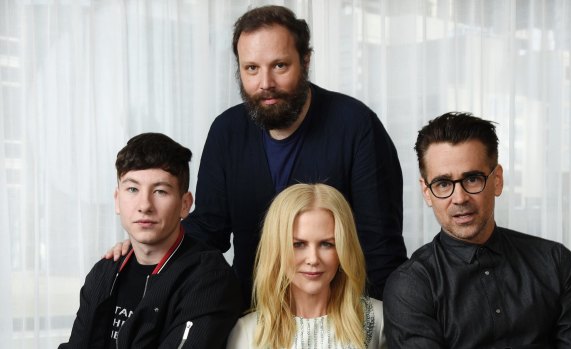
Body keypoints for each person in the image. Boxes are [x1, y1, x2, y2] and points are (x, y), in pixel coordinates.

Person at [108, 5, 407, 308]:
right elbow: (208, 231)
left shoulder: (356, 126)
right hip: (253, 313)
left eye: (279, 66)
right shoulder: (227, 131)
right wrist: (148, 250)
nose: (265, 83)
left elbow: (380, 246)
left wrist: (380, 328)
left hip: (338, 312)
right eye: (252, 68)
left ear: (305, 61)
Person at [383, 112, 571, 348]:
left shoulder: (556, 262)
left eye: (473, 179)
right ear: (426, 192)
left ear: (497, 180)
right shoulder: (410, 287)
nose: (459, 198)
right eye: (443, 184)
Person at [60, 133, 242, 349]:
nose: (144, 205)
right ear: (117, 201)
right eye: (132, 189)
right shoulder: (104, 273)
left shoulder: (209, 279)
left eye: (160, 191)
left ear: (185, 204)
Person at [226, 183, 386, 348]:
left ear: (343, 249)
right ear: (276, 250)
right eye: (298, 244)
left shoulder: (380, 321)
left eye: (326, 244)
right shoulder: (247, 332)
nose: (313, 259)